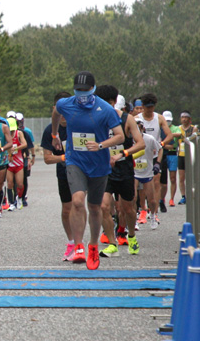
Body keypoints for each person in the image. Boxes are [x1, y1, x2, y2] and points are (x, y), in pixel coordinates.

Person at [51, 72, 124, 270]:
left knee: (94, 207)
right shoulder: (67, 103)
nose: (81, 93)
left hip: (99, 164)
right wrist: (54, 133)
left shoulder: (105, 109)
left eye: (85, 90)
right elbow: (56, 113)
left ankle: (93, 245)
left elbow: (120, 136)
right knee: (76, 201)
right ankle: (79, 246)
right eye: (78, 90)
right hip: (75, 161)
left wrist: (101, 145)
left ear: (93, 88)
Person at [94, 86, 145, 258]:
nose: (105, 108)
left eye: (108, 103)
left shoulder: (127, 119)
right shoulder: (95, 119)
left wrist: (122, 154)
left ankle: (131, 236)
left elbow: (140, 144)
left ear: (115, 102)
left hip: (124, 168)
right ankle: (112, 242)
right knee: (103, 206)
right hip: (104, 170)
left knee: (128, 209)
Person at [42, 92, 75, 261]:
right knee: (68, 209)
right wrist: (65, 157)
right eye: (59, 111)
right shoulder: (50, 130)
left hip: (84, 171)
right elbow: (47, 158)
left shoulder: (79, 124)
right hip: (64, 173)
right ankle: (72, 242)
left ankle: (83, 243)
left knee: (85, 206)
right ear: (54, 109)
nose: (63, 116)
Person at [135, 93, 173, 214]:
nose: (149, 109)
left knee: (156, 182)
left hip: (155, 155)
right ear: (143, 106)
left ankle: (154, 212)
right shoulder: (136, 118)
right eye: (147, 107)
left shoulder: (159, 118)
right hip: (141, 154)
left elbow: (169, 135)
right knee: (141, 184)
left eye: (152, 107)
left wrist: (161, 144)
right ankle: (143, 209)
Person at [133, 117, 163, 230]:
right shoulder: (129, 140)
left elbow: (160, 149)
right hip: (134, 171)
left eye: (139, 127)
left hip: (147, 172)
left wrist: (158, 163)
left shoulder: (149, 139)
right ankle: (134, 218)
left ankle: (153, 215)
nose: (137, 130)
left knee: (151, 199)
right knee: (133, 197)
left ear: (143, 128)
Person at [175, 110, 198, 205]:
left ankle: (193, 195)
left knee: (192, 177)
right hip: (181, 155)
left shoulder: (193, 129)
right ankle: (183, 196)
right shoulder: (178, 128)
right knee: (181, 178)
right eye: (182, 117)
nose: (184, 119)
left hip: (191, 155)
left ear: (189, 119)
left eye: (186, 117)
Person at [159, 111, 179, 209]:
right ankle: (160, 199)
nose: (167, 122)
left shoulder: (173, 129)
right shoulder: (159, 128)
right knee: (159, 181)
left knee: (172, 178)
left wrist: (161, 144)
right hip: (160, 156)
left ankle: (171, 198)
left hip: (171, 154)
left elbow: (178, 135)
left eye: (169, 121)